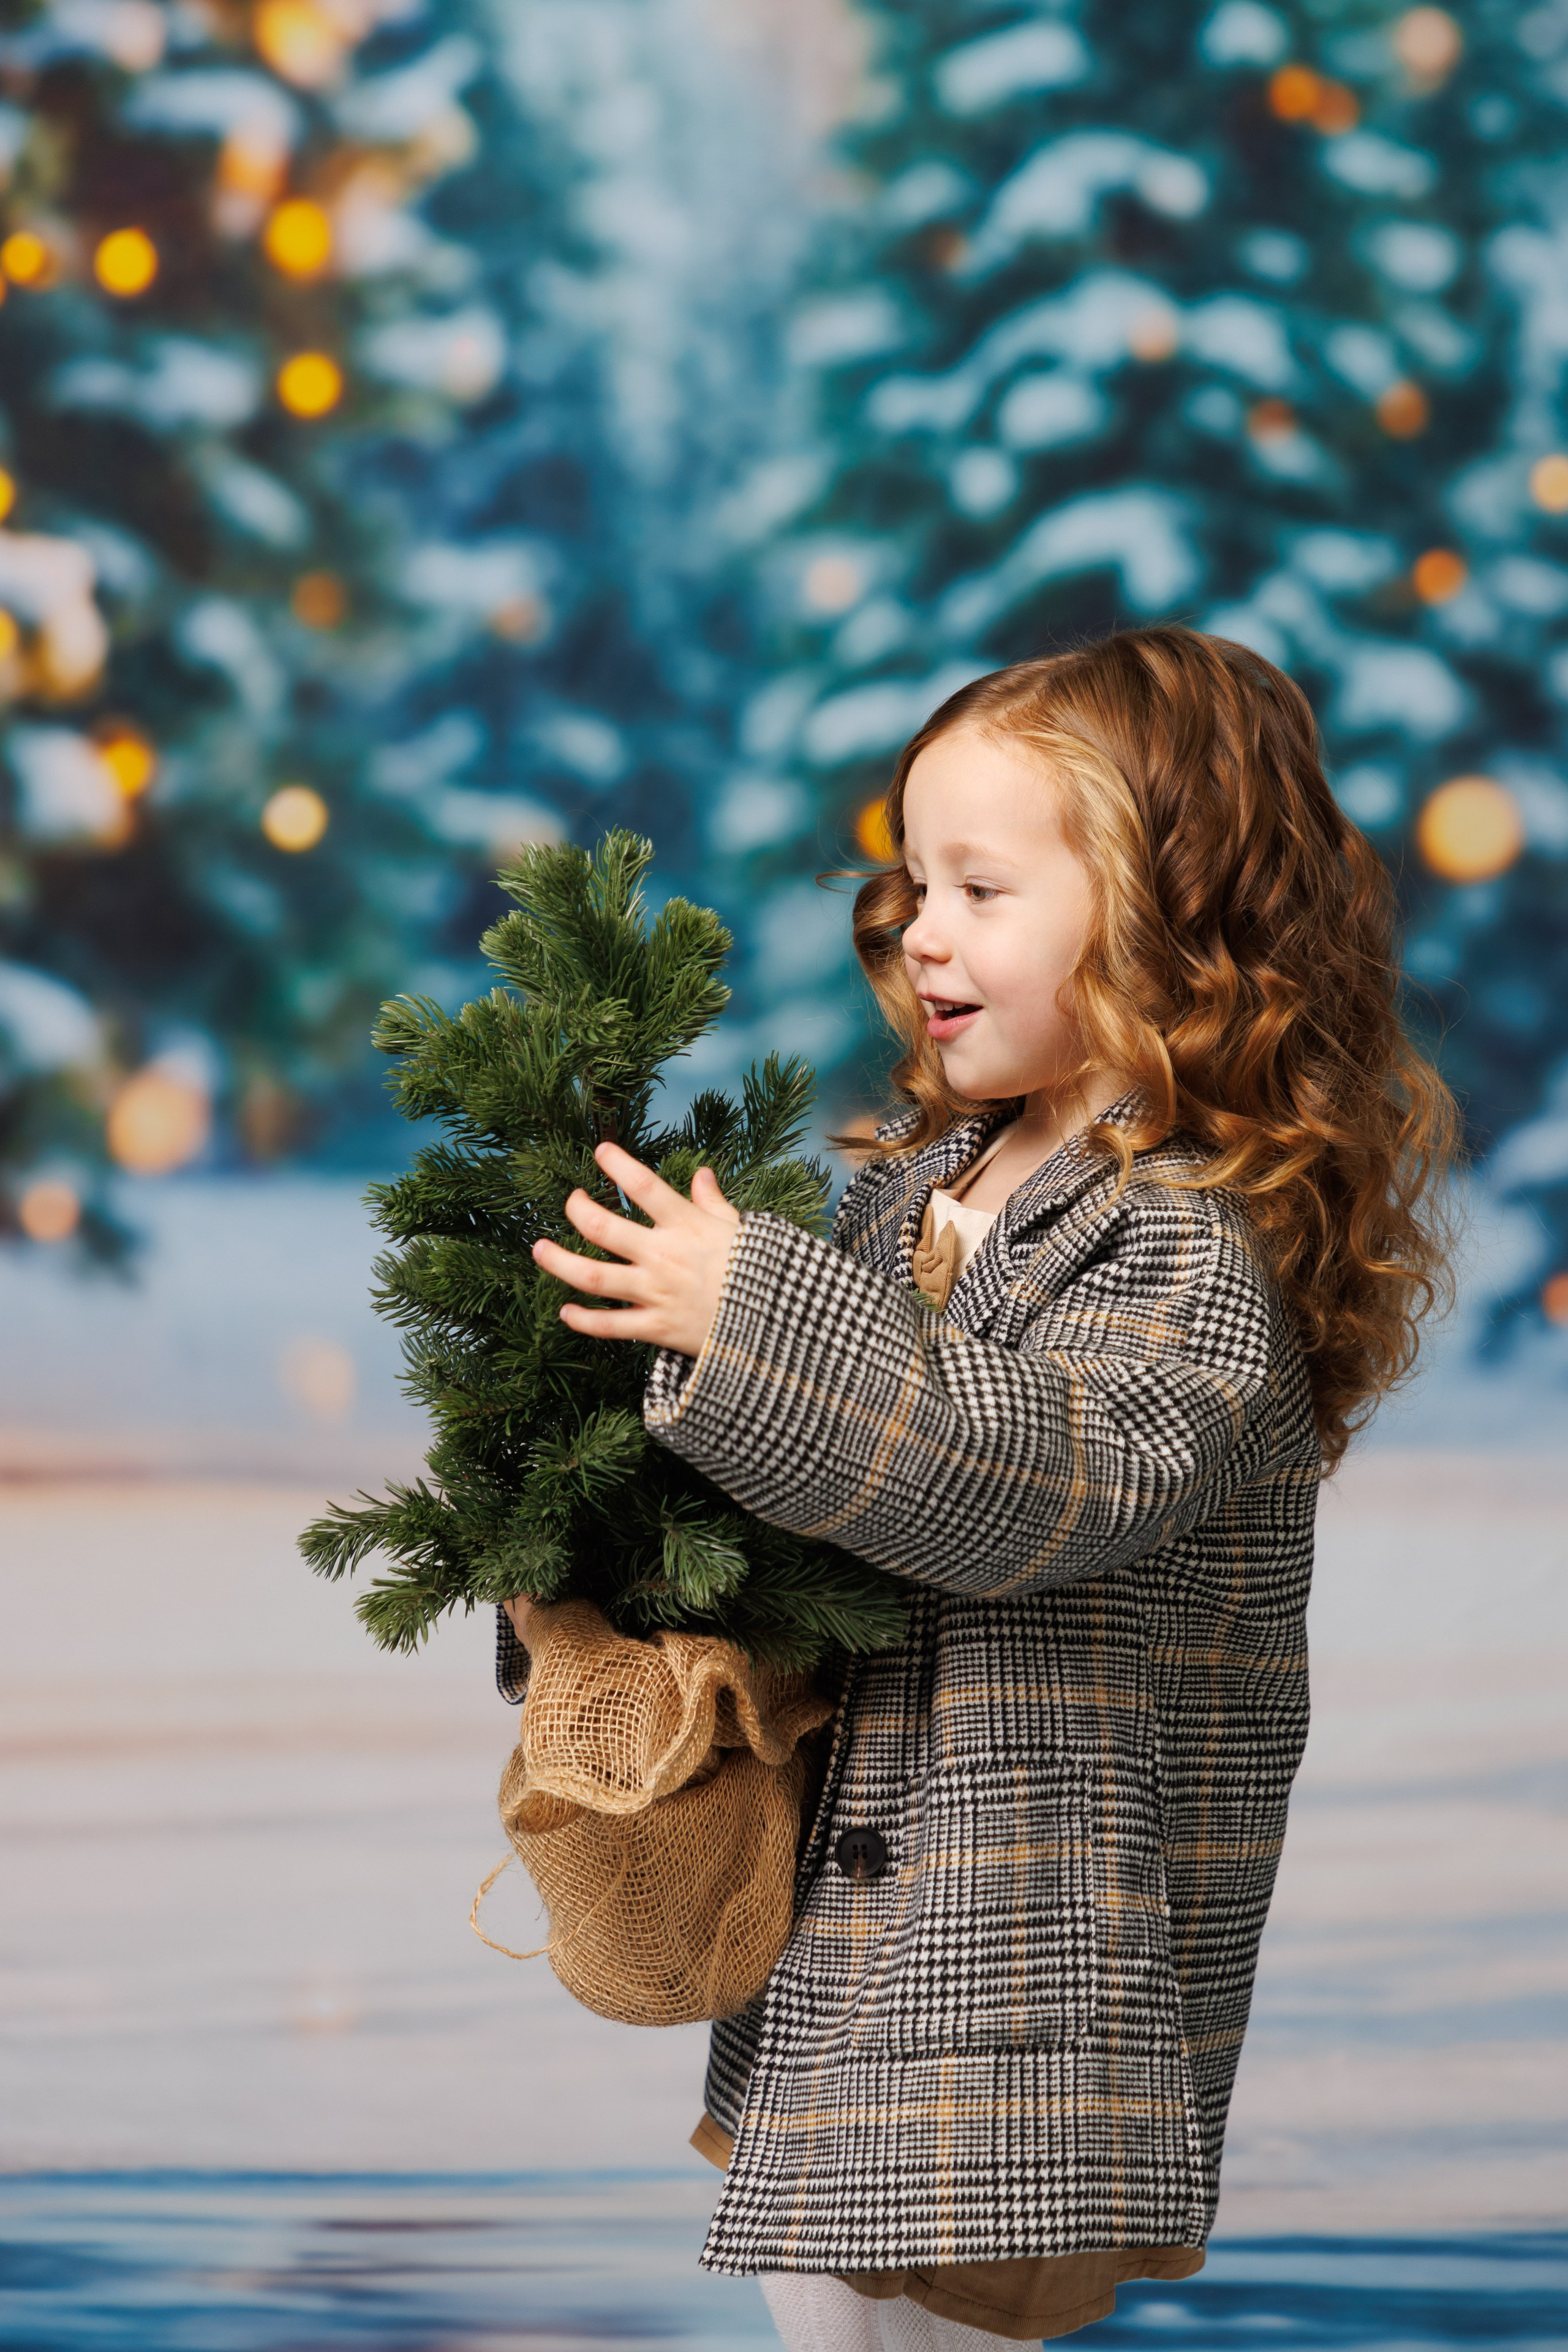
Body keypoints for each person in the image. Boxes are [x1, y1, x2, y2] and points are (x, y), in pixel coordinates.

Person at [502, 627, 1463, 2347]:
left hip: (1022, 1986)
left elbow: (1032, 1477)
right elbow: (821, 1509)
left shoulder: (1183, 1243)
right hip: (843, 1982)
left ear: (1172, 925)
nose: (920, 931)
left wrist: (754, 1328)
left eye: (983, 887)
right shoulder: (916, 1194)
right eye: (911, 882)